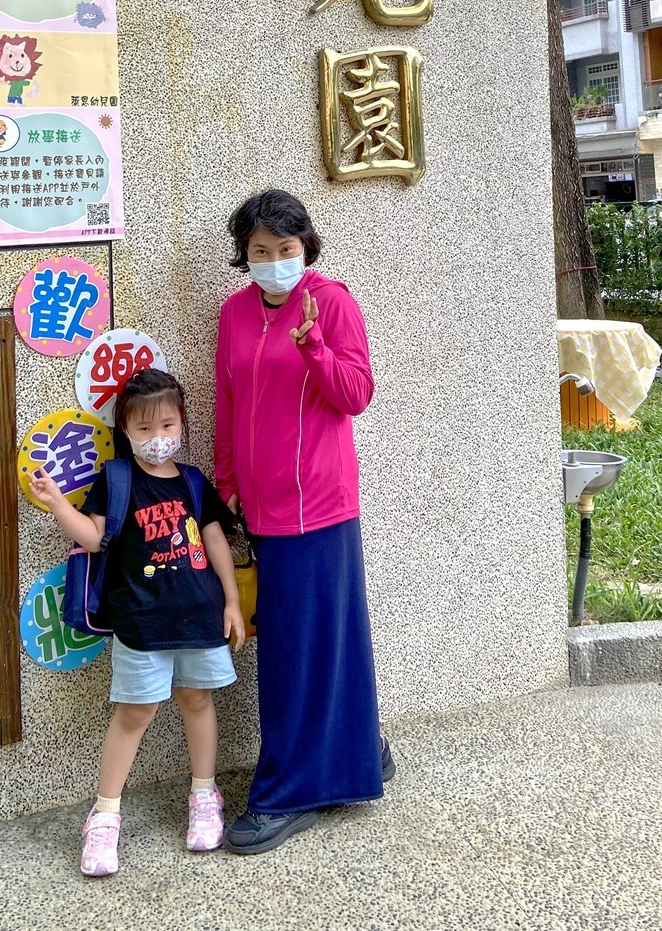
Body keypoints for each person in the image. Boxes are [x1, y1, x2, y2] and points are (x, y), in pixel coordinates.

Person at [215, 189, 392, 855]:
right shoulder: (233, 313)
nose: (273, 261)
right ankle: (359, 751)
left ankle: (286, 792)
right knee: (304, 642)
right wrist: (226, 484)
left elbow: (356, 395)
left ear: (305, 248)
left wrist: (314, 345)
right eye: (259, 251)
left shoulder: (331, 303)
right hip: (260, 506)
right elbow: (228, 400)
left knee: (302, 649)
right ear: (245, 255)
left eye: (285, 249)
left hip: (319, 503)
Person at [28, 368, 245, 878]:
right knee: (134, 712)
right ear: (124, 429)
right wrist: (57, 503)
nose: (157, 437)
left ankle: (204, 795)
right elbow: (93, 537)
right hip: (140, 623)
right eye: (144, 428)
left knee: (198, 700)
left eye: (167, 425)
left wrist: (232, 602)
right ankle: (104, 815)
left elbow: (216, 542)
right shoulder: (116, 479)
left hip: (199, 617)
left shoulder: (193, 482)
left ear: (182, 424)